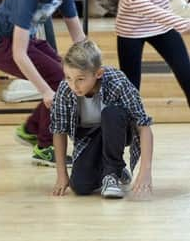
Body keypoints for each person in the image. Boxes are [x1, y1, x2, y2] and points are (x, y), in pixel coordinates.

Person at [0, 0, 85, 166]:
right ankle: (44, 146)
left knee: (65, 78)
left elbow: (78, 37)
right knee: (60, 82)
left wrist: (93, 67)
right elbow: (19, 54)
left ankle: (31, 129)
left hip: (23, 39)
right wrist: (45, 91)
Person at [51, 39, 153, 199]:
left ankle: (111, 174)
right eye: (68, 77)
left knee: (111, 113)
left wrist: (145, 171)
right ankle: (116, 169)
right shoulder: (65, 90)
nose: (73, 86)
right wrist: (61, 174)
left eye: (80, 79)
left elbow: (143, 125)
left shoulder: (117, 82)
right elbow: (59, 131)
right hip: (90, 138)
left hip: (118, 130)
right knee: (80, 186)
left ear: (98, 73)